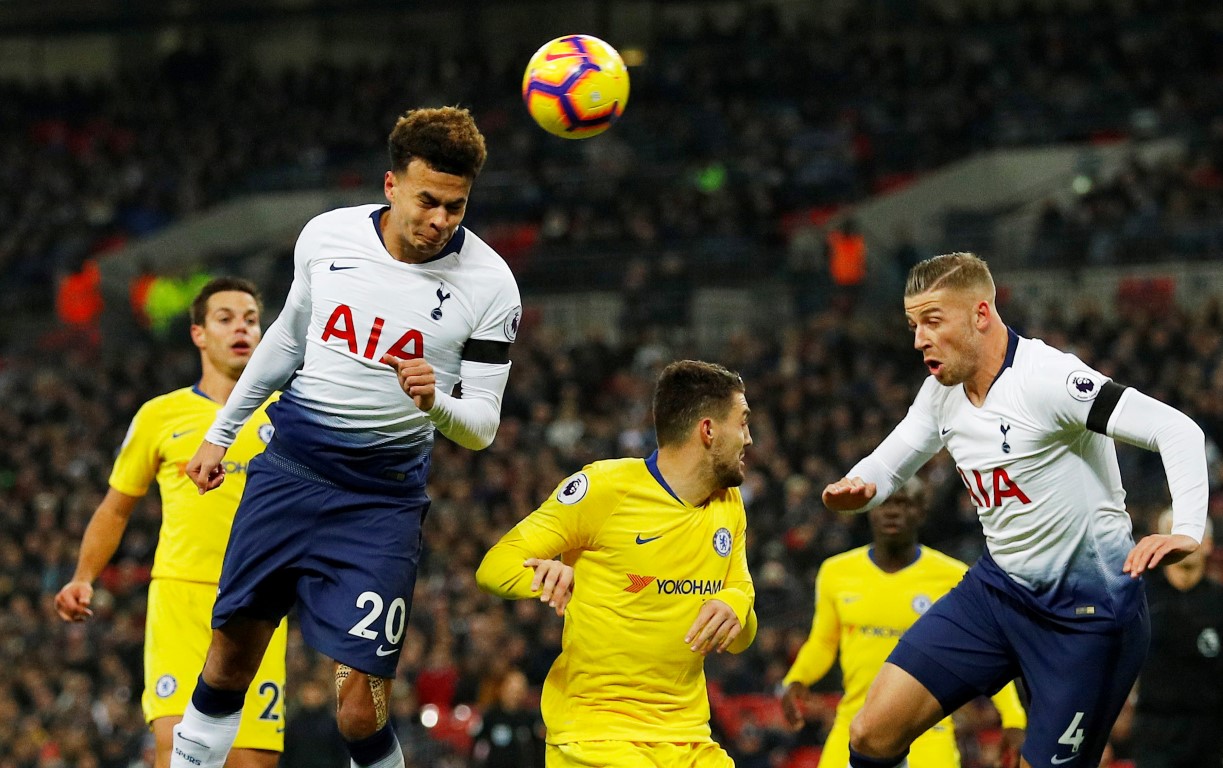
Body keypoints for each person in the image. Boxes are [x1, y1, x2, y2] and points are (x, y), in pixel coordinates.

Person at [169, 106, 522, 768]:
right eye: (428, 201)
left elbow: (481, 427)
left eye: (456, 206)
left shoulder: (491, 284)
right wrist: (222, 433)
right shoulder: (327, 238)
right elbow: (285, 339)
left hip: (378, 504)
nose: (441, 220)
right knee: (228, 658)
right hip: (290, 473)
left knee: (362, 709)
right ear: (391, 186)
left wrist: (434, 402)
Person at [821, 252, 1208, 768]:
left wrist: (1186, 528)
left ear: (981, 314)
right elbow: (891, 463)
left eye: (933, 321)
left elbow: (1176, 429)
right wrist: (859, 487)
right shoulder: (942, 391)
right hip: (999, 593)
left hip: (1088, 618)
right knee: (871, 733)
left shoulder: (1049, 380)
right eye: (914, 325)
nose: (918, 340)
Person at [476, 360, 757, 767]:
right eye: (743, 423)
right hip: (597, 737)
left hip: (688, 741)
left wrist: (734, 605)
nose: (748, 438)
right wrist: (541, 574)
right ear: (708, 430)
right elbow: (495, 565)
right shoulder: (603, 489)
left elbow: (743, 632)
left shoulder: (728, 505)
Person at [55, 277, 287, 768]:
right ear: (199, 334)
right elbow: (116, 507)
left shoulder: (288, 414)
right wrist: (83, 577)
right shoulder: (160, 415)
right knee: (178, 750)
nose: (240, 328)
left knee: (250, 761)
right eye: (225, 319)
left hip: (260, 599)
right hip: (180, 599)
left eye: (250, 319)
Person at [780, 477, 1027, 767]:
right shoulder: (836, 572)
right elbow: (823, 642)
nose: (892, 511)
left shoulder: (952, 576)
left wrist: (1013, 717)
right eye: (884, 503)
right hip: (855, 723)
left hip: (927, 730)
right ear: (869, 509)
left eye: (904, 503)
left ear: (921, 511)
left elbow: (985, 652)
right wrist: (796, 679)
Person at [1124, 510, 1223, 768]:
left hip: (1210, 734)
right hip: (1154, 731)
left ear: (1209, 544)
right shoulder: (1141, 596)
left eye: (1190, 533)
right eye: (1173, 533)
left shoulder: (1219, 601)